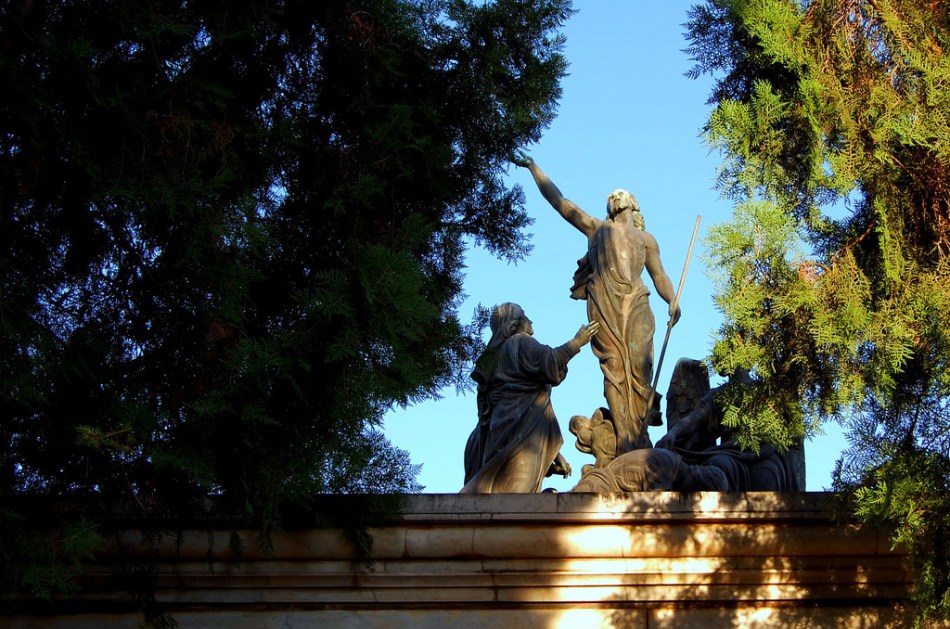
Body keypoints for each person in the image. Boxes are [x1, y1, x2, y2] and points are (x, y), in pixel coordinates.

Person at [513, 152, 680, 454]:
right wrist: (535, 168)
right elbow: (561, 203)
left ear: (632, 204)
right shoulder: (596, 229)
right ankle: (627, 442)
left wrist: (672, 300)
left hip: (638, 302)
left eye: (621, 194)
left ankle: (640, 436)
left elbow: (660, 276)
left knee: (641, 370)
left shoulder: (647, 239)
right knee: (614, 367)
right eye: (611, 196)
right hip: (605, 303)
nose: (615, 197)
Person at [461, 303, 598, 493]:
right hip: (521, 432)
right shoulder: (520, 342)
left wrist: (553, 455)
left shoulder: (494, 356)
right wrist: (577, 342)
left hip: (502, 431)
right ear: (515, 323)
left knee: (502, 491)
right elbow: (550, 362)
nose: (530, 320)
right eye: (525, 316)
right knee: (517, 495)